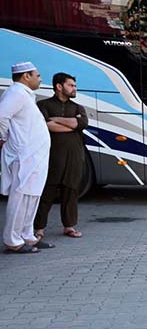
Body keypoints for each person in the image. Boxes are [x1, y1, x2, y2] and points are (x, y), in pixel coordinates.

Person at [0, 62, 53, 254]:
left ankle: (27, 235)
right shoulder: (16, 93)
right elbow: (1, 116)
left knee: (32, 196)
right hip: (24, 155)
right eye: (37, 75)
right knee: (20, 197)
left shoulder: (25, 95)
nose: (40, 79)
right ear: (25, 76)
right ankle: (12, 240)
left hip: (34, 156)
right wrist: (2, 137)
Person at [33, 72, 89, 240]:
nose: (74, 88)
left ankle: (69, 226)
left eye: (74, 86)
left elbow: (82, 124)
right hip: (52, 156)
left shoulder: (78, 108)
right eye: (71, 85)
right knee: (47, 192)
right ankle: (39, 228)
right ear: (59, 86)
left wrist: (57, 119)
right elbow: (46, 126)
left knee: (71, 191)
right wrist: (72, 124)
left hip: (74, 156)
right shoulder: (43, 105)